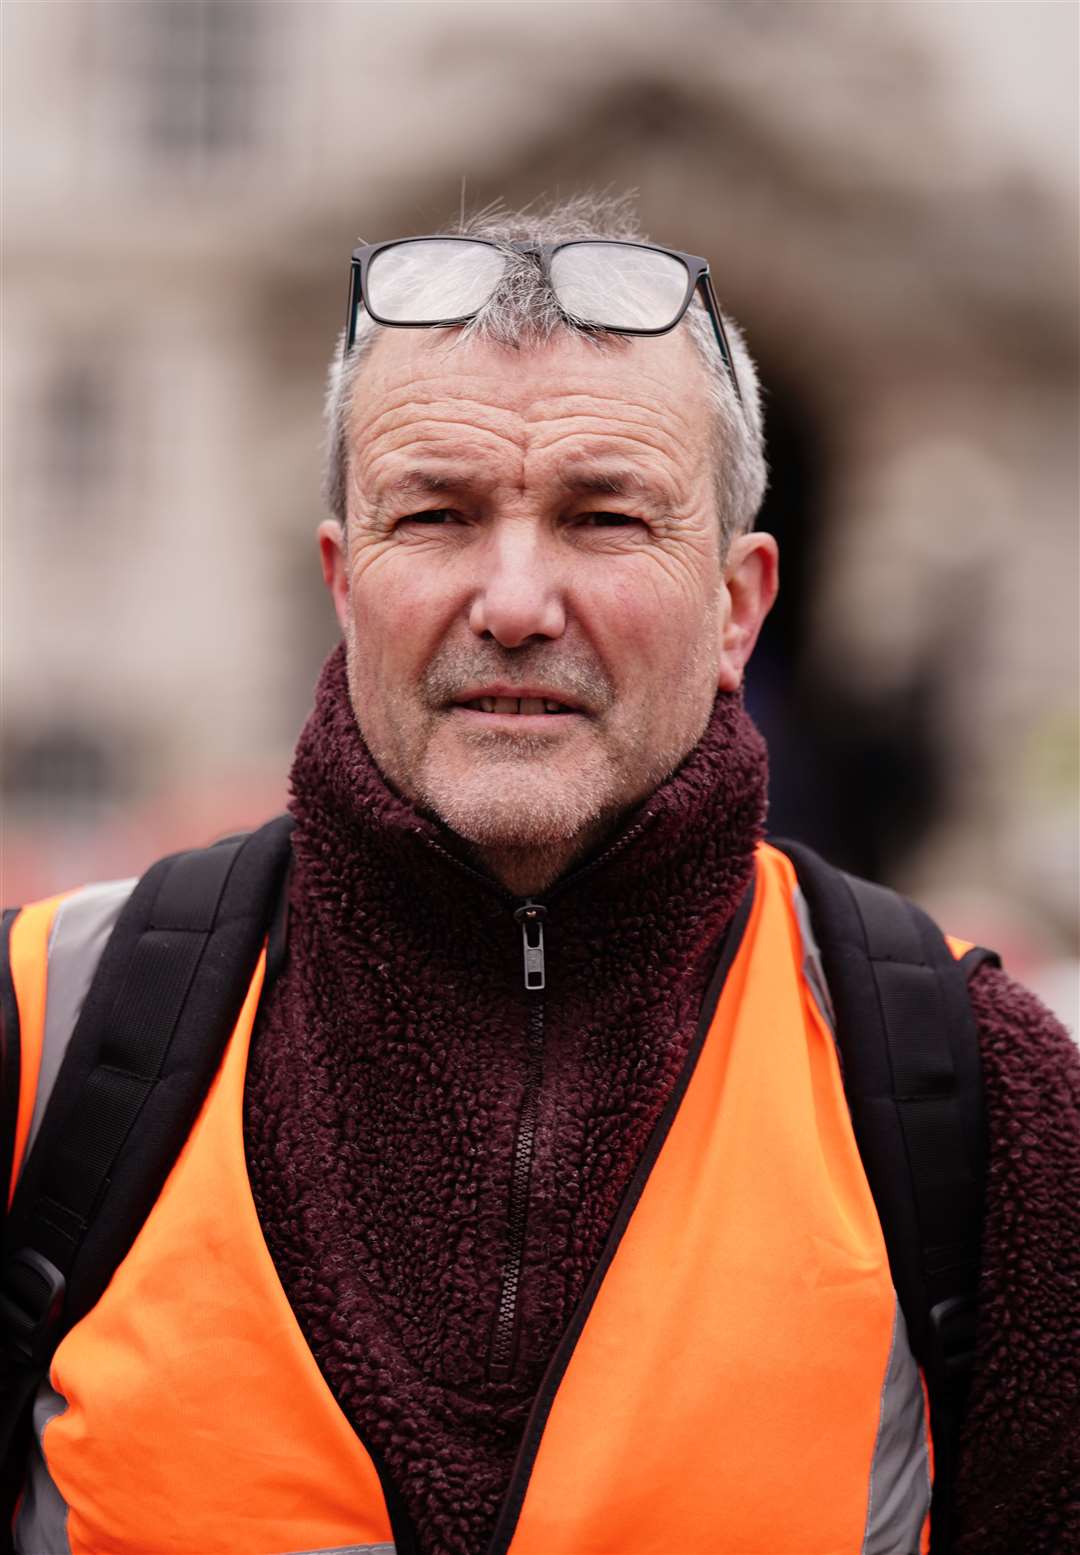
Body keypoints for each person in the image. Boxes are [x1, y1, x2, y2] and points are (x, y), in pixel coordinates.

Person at [2, 196, 1078, 1555]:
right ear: (345, 582)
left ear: (740, 604)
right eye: (438, 514)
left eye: (604, 518)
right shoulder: (43, 1032)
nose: (514, 602)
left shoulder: (985, 1100)